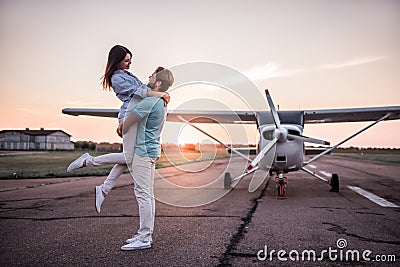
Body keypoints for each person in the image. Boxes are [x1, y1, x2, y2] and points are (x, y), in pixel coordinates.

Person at [66, 45, 169, 214]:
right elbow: (138, 92)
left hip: (137, 115)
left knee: (129, 158)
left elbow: (146, 88)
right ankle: (89, 161)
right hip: (129, 115)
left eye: (130, 60)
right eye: (126, 60)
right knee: (129, 157)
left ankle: (104, 188)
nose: (129, 64)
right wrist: (160, 94)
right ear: (117, 60)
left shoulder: (127, 74)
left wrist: (160, 92)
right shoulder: (116, 78)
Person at [120, 68, 174, 251]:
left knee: (143, 195)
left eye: (152, 76)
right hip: (151, 151)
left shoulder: (150, 102)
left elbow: (126, 124)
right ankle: (144, 234)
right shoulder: (161, 102)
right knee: (147, 195)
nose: (149, 77)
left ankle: (144, 238)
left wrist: (121, 126)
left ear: (158, 83)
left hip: (143, 153)